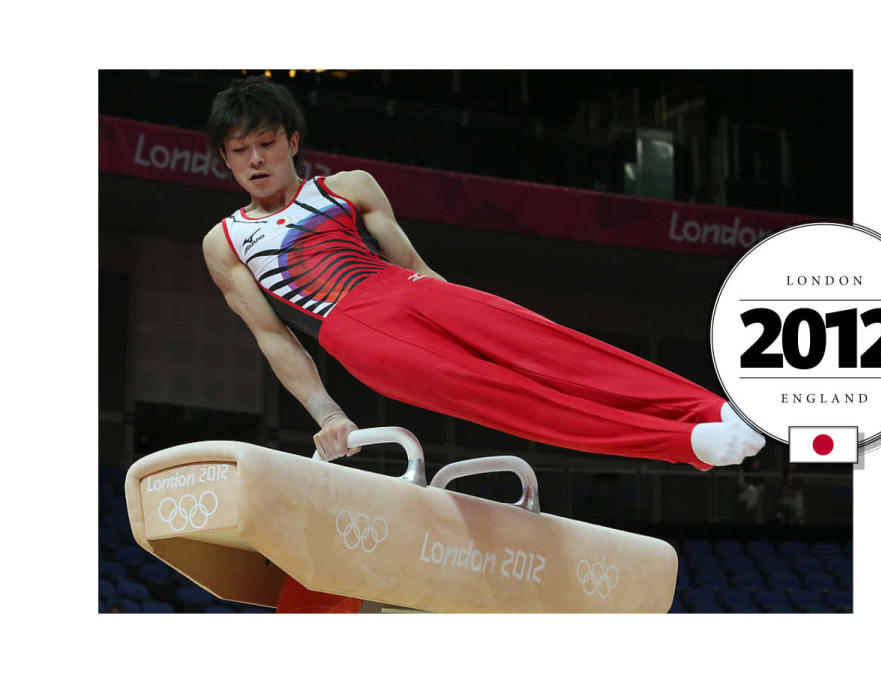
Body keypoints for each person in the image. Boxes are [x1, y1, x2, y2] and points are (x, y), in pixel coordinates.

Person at [201, 76, 766, 611]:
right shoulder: (225, 242)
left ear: (292, 141)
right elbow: (273, 336)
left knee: (551, 347)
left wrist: (470, 317)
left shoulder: (346, 188)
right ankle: (685, 441)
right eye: (239, 149)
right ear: (224, 158)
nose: (255, 160)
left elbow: (416, 267)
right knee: (510, 396)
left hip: (411, 290)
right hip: (354, 328)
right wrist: (327, 412)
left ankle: (708, 407)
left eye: (267, 143)